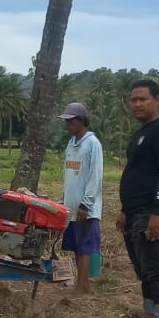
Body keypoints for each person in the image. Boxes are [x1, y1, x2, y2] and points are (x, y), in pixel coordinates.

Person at [116, 79, 159, 318]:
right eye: (133, 100)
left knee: (156, 270)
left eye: (143, 99)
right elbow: (137, 174)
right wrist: (124, 210)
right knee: (144, 271)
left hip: (149, 212)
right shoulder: (141, 134)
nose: (137, 104)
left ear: (156, 100)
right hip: (133, 212)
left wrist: (157, 212)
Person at [57, 101, 102, 295]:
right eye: (66, 121)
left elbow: (95, 176)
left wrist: (86, 204)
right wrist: (63, 200)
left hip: (85, 208)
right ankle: (83, 284)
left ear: (81, 121)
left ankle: (81, 286)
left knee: (85, 247)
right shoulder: (71, 144)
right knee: (76, 246)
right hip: (71, 206)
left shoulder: (92, 144)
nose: (67, 125)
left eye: (71, 121)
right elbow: (68, 175)